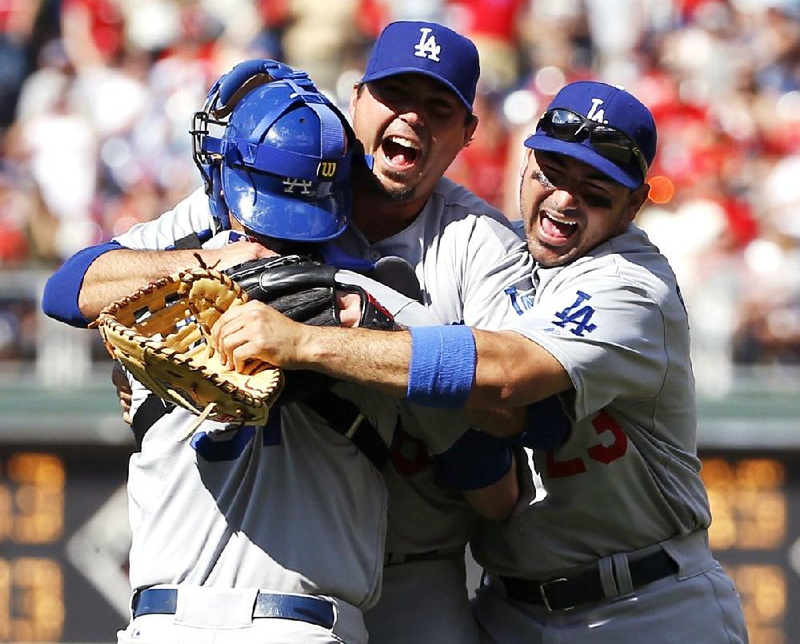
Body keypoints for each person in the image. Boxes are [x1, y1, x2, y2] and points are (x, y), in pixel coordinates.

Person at [209, 80, 750, 643]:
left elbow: (508, 377)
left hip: (646, 607)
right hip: (509, 609)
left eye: (595, 189)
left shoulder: (631, 287)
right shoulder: (494, 256)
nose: (564, 200)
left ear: (634, 204)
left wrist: (306, 343)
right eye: (553, 172)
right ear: (528, 161)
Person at [43, 64, 521, 644]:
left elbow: (66, 290)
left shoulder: (148, 296)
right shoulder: (374, 308)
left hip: (160, 623)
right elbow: (493, 485)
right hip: (306, 623)